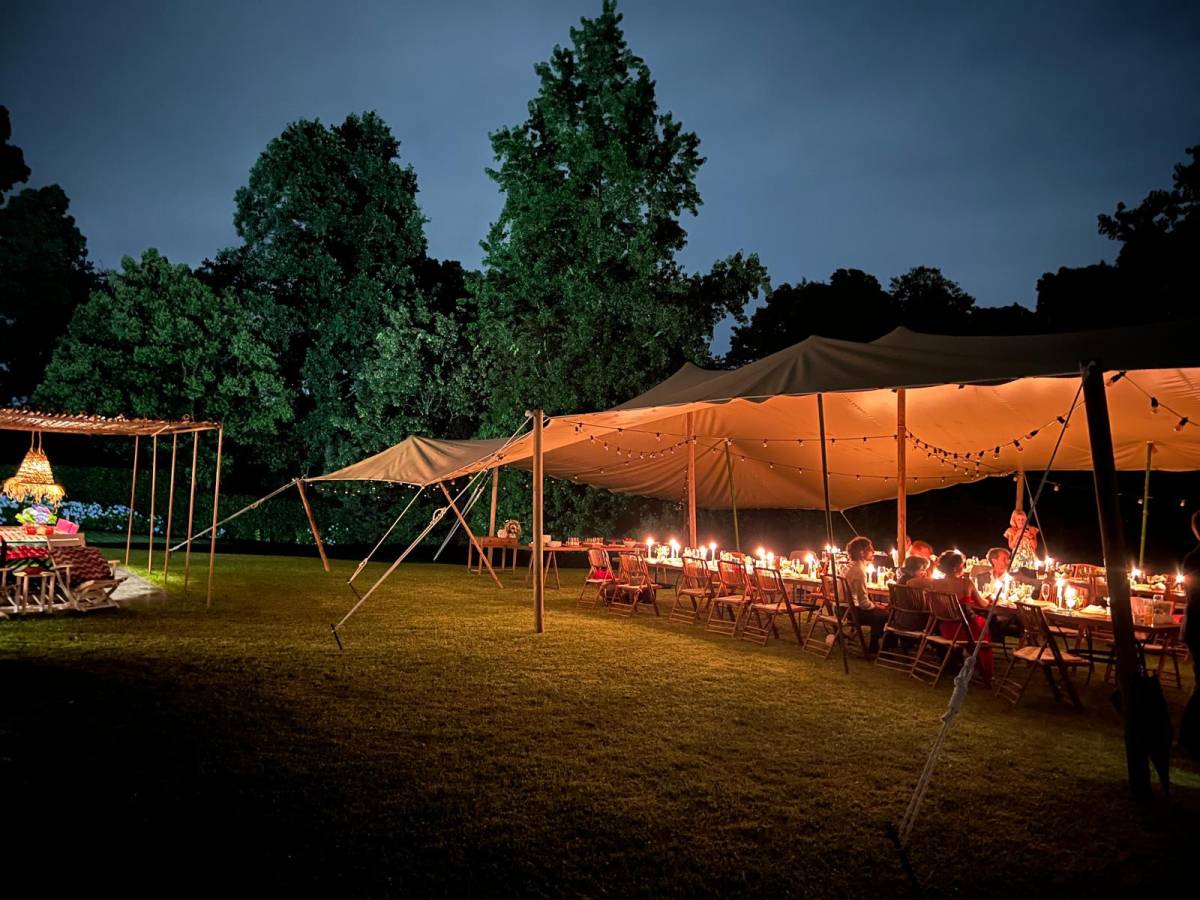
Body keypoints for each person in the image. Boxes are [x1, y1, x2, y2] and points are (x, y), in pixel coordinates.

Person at [909, 549, 994, 686]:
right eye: (963, 564)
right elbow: (983, 604)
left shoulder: (936, 583)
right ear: (956, 567)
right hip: (965, 630)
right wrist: (989, 599)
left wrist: (926, 580)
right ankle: (983, 670)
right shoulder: (966, 583)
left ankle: (967, 664)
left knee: (980, 625)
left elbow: (911, 583)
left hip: (946, 629)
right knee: (984, 625)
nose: (964, 567)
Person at [842, 535, 890, 655]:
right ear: (862, 552)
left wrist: (874, 605)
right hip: (851, 612)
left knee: (881, 612)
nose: (873, 551)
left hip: (842, 609)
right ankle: (876, 648)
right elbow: (863, 603)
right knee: (884, 615)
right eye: (870, 549)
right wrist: (875, 606)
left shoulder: (849, 566)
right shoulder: (859, 570)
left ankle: (879, 646)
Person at [1180, 511, 1200, 756]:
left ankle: (1190, 737)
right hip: (1198, 625)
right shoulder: (1195, 559)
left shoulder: (1191, 558)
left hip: (1194, 624)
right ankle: (1188, 738)